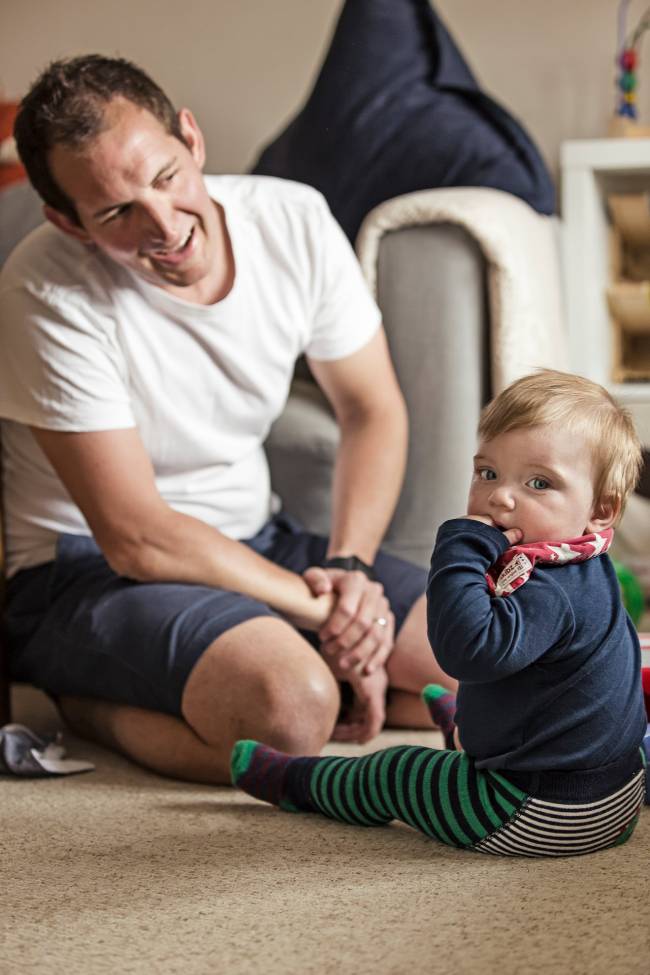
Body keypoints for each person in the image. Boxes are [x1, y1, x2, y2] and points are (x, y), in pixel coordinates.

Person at [0, 55, 454, 784]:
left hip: (256, 539)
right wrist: (328, 615)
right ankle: (82, 702)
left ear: (191, 138)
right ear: (68, 221)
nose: (163, 225)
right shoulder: (43, 287)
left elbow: (371, 407)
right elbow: (136, 536)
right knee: (291, 715)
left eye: (166, 176)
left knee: (482, 663)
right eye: (116, 213)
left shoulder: (293, 219)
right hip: (84, 572)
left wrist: (346, 572)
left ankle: (266, 662)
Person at [232, 370, 648, 857]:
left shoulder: (549, 590)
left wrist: (459, 550)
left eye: (539, 483)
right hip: (615, 793)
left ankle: (295, 780)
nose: (501, 497)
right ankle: (472, 727)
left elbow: (464, 651)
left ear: (601, 509)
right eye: (488, 473)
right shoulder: (583, 562)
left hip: (536, 809)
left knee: (395, 771)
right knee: (524, 677)